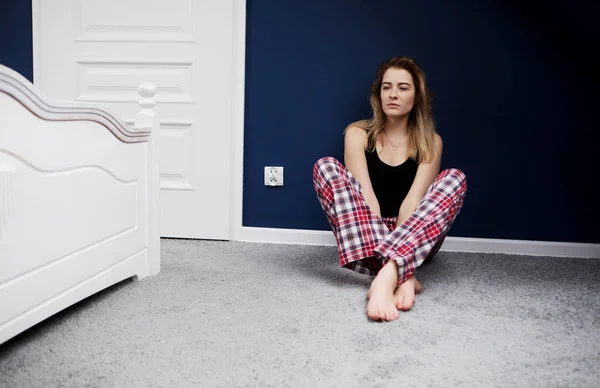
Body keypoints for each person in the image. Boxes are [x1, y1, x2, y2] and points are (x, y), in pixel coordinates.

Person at [312, 56, 467, 322]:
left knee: (455, 178)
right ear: (378, 94)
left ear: (417, 97)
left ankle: (386, 276)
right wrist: (401, 260)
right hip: (366, 232)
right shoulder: (357, 134)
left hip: (417, 234)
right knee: (325, 166)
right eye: (386, 87)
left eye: (403, 87)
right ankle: (403, 275)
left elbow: (413, 203)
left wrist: (399, 250)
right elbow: (367, 200)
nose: (393, 94)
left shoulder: (431, 142)